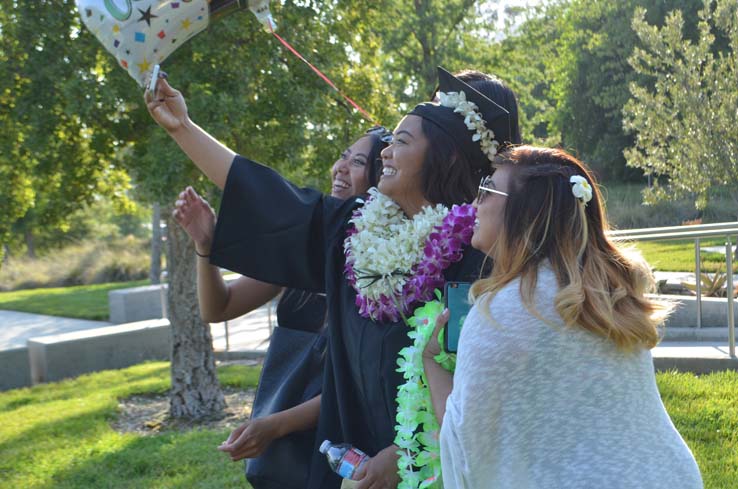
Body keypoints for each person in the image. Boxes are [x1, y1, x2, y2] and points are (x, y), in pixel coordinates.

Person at [146, 66, 521, 489]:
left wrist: (404, 457)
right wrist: (184, 129)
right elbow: (274, 200)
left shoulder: (481, 259)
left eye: (401, 141)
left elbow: (490, 394)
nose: (384, 153)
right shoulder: (356, 234)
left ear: (447, 155)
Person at [423, 146, 703, 488]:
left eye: (487, 189)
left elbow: (467, 452)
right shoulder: (605, 296)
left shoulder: (504, 311)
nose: (475, 202)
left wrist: (430, 362)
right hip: (668, 476)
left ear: (528, 213)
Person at [171, 127, 389, 468]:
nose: (340, 167)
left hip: (339, 441)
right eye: (343, 155)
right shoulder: (307, 248)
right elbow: (219, 307)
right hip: (279, 432)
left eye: (357, 161)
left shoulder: (384, 262)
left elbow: (358, 381)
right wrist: (205, 247)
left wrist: (277, 424)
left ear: (382, 177)